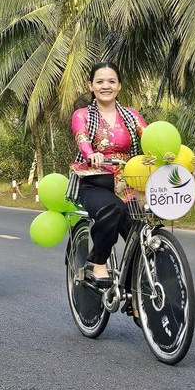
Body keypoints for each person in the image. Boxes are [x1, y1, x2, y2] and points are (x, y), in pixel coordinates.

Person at [68, 61, 146, 288]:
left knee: (142, 235)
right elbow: (81, 137)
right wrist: (92, 154)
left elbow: (149, 135)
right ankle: (98, 261)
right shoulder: (82, 114)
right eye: (100, 81)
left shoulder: (131, 115)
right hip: (94, 183)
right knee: (113, 208)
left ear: (119, 86)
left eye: (111, 81)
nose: (106, 86)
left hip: (128, 184)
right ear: (91, 86)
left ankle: (137, 298)